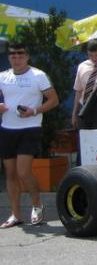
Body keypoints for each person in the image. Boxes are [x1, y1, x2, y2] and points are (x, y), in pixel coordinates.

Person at [0, 42, 60, 228]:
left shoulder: (38, 75)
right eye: (13, 55)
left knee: (23, 171)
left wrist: (34, 111)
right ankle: (15, 214)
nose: (16, 58)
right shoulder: (3, 76)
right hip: (7, 128)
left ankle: (37, 205)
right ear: (9, 57)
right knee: (10, 173)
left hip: (30, 127)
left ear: (27, 56)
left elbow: (54, 100)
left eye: (20, 54)